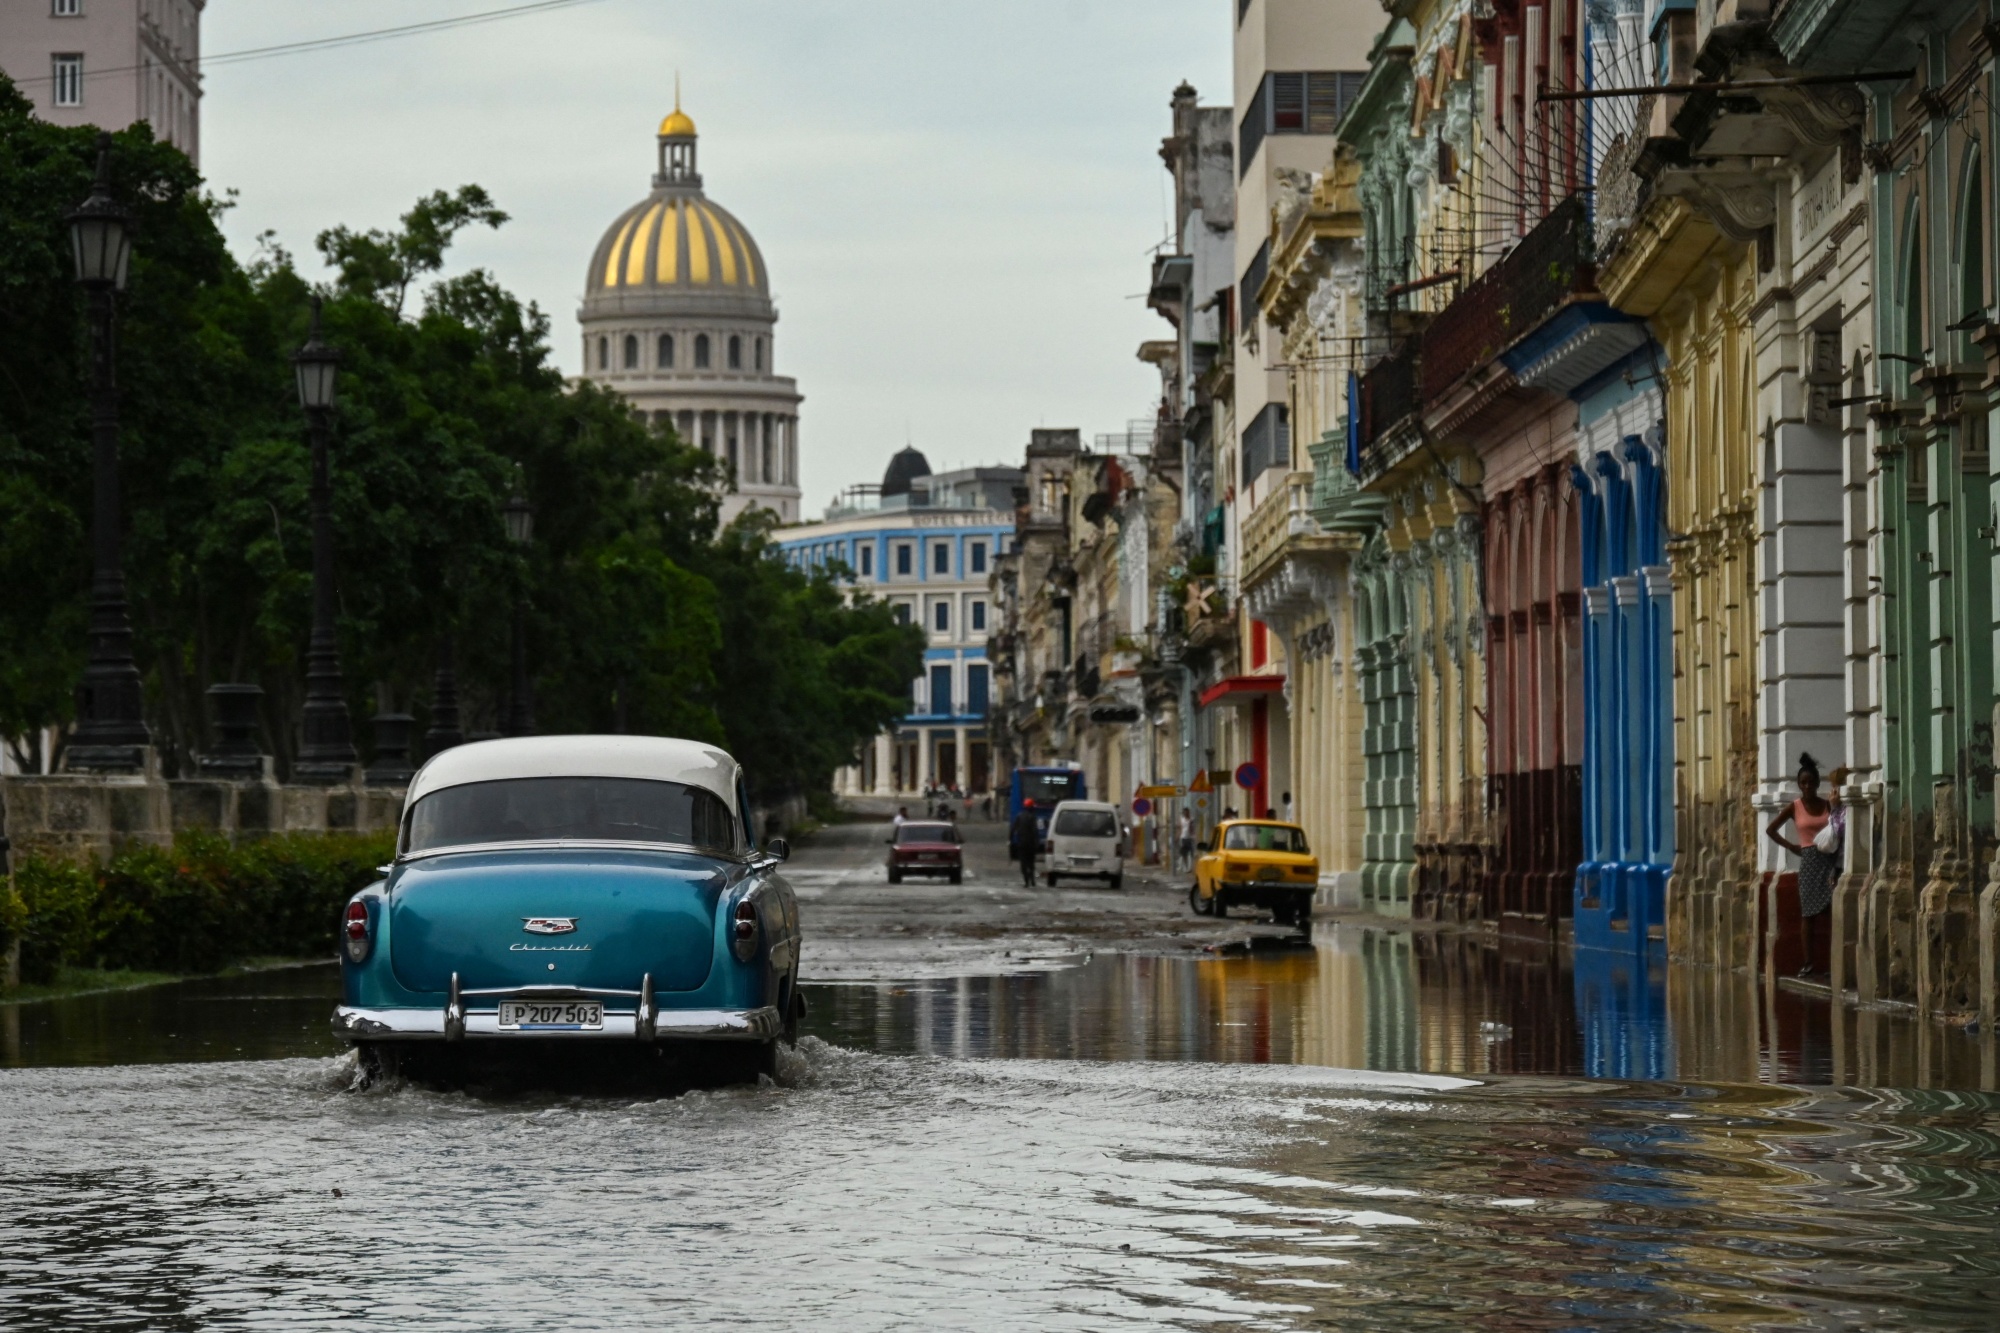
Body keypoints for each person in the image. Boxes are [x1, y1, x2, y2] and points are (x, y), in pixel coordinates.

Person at [1766, 752, 1836, 977]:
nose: (1807, 786)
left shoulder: (1828, 805)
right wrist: (1791, 846)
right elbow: (1771, 830)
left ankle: (1832, 963)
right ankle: (1808, 962)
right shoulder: (1794, 807)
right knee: (1808, 915)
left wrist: (1835, 807)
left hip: (1828, 861)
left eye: (1811, 782)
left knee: (1831, 912)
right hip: (1808, 863)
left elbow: (1837, 829)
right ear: (1799, 784)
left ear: (1817, 783)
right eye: (1803, 783)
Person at [1009, 799, 1040, 887]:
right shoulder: (1033, 817)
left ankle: (1026, 881)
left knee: (1023, 863)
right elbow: (1035, 831)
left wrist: (1010, 840)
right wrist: (1037, 843)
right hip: (1031, 844)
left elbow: (1013, 830)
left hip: (1022, 844)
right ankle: (1032, 879)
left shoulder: (1019, 816)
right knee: (1031, 863)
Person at [1177, 807, 1196, 874]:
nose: (1186, 813)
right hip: (1183, 838)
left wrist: (1194, 836)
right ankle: (1186, 866)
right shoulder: (1182, 820)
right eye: (1184, 812)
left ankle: (1190, 867)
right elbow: (1180, 828)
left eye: (1187, 812)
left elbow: (1193, 829)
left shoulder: (1192, 819)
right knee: (1184, 853)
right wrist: (1178, 836)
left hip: (1190, 838)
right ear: (1183, 813)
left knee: (1191, 853)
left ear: (1189, 812)